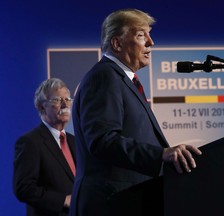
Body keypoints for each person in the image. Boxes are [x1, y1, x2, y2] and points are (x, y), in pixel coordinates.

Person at [70, 8, 202, 216]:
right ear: (117, 43)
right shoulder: (104, 77)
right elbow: (102, 140)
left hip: (129, 202)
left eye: (149, 34)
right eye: (141, 35)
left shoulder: (122, 81)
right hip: (109, 204)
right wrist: (161, 154)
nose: (151, 42)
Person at [13, 78, 76, 216]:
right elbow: (24, 189)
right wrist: (63, 200)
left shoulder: (74, 142)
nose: (65, 104)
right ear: (42, 107)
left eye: (68, 99)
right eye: (58, 100)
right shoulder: (30, 142)